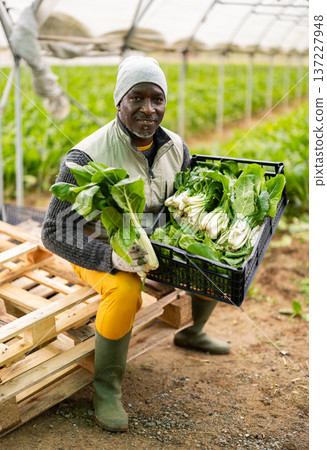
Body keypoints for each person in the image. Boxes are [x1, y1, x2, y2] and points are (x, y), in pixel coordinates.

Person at [41, 55, 230, 433]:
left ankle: (192, 332)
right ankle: (106, 389)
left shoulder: (177, 146)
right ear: (119, 101)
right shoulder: (85, 156)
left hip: (155, 242)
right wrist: (110, 256)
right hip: (98, 250)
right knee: (127, 291)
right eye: (137, 98)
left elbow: (183, 203)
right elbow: (52, 231)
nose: (148, 109)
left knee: (213, 257)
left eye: (156, 99)